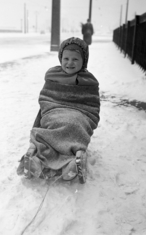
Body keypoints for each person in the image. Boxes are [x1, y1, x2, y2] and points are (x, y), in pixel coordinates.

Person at [17, 37, 100, 184]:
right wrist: (49, 109)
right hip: (54, 110)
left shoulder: (89, 81)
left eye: (75, 59)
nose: (69, 63)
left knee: (75, 125)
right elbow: (46, 98)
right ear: (60, 58)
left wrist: (84, 115)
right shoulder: (53, 76)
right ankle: (37, 161)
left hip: (80, 113)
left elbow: (91, 106)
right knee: (52, 124)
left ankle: (72, 163)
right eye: (66, 58)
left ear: (84, 60)